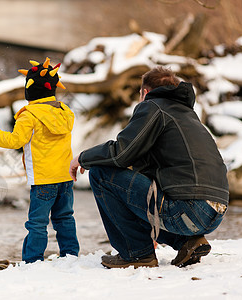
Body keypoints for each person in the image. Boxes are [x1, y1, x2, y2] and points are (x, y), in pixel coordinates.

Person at [69, 66, 229, 268]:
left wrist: (83, 158)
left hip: (189, 210)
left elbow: (121, 152)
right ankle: (187, 242)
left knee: (102, 174)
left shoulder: (153, 107)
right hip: (214, 212)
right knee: (138, 187)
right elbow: (141, 170)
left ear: (145, 92)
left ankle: (137, 253)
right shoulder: (188, 115)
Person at [0, 57, 79, 263]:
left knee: (38, 223)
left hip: (42, 179)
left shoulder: (29, 115)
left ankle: (32, 260)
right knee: (65, 217)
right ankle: (71, 256)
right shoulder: (65, 113)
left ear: (30, 89)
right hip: (65, 177)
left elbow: (16, 141)